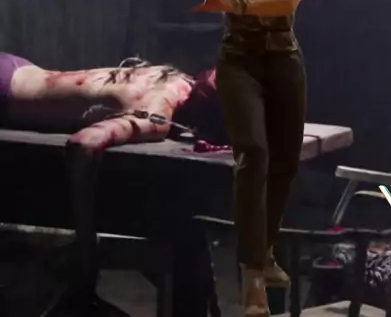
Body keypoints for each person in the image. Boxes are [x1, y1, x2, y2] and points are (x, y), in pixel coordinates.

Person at [98, 0, 314, 316]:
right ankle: (252, 280)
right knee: (253, 155)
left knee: (285, 164)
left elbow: (287, 0)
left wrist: (230, 3)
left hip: (283, 62)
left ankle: (265, 252)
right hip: (238, 61)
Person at [0, 51, 227, 316]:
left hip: (15, 69)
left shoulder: (175, 80)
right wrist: (87, 251)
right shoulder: (157, 113)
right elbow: (83, 144)